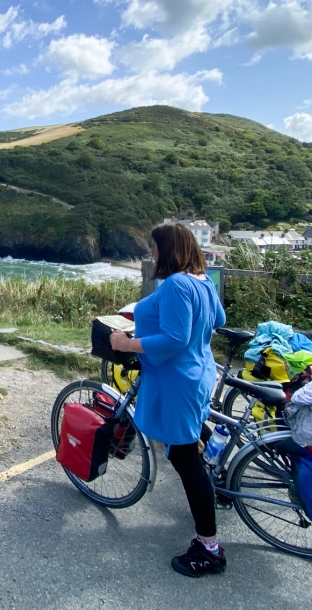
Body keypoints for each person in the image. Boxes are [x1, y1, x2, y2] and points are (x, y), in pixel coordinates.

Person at [110, 222, 226, 577]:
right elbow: (217, 319)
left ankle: (209, 548)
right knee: (190, 442)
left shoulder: (176, 284)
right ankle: (216, 480)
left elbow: (175, 339)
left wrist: (127, 344)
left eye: (154, 247)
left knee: (184, 458)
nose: (151, 252)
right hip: (200, 372)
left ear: (168, 249)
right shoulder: (202, 282)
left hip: (178, 381)